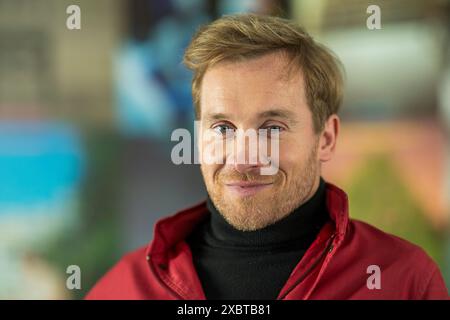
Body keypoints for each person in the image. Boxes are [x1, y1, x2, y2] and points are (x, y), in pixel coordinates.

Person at [86, 14, 448, 300]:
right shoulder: (125, 287)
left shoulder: (403, 280)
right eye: (223, 128)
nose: (243, 160)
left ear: (326, 138)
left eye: (272, 128)